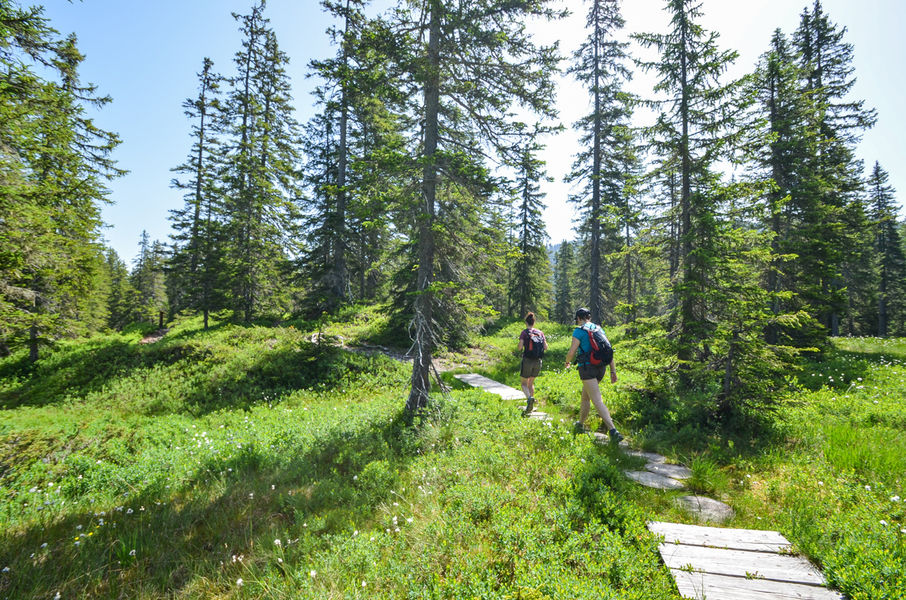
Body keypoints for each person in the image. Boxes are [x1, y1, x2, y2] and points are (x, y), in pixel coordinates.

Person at [563, 307, 623, 442]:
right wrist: (613, 371)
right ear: (589, 318)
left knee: (596, 400)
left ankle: (613, 430)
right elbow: (608, 350)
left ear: (579, 318)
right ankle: (580, 424)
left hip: (587, 368)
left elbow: (572, 351)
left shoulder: (579, 331)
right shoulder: (599, 329)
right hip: (601, 368)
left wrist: (567, 362)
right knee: (585, 397)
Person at [516, 312, 548, 415]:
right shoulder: (540, 333)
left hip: (527, 360)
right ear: (534, 322)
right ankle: (531, 404)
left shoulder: (524, 333)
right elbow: (546, 347)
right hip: (538, 361)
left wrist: (520, 345)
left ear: (526, 322)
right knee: (531, 383)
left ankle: (529, 399)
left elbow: (520, 347)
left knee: (523, 383)